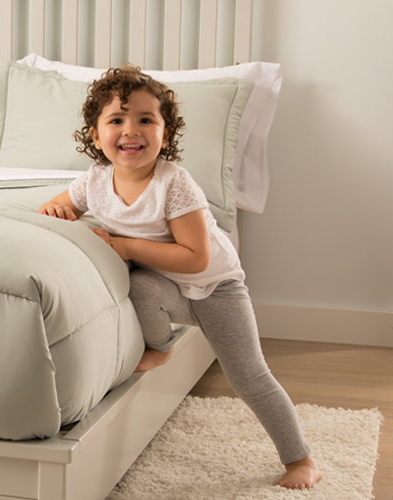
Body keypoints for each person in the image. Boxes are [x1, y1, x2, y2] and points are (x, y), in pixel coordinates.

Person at [38, 64, 322, 490]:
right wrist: (56, 213)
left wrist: (127, 247)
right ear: (96, 137)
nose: (130, 130)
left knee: (249, 375)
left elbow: (194, 256)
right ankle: (162, 346)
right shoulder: (94, 181)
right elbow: (58, 206)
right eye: (116, 120)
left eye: (145, 120)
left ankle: (299, 458)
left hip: (217, 289)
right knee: (139, 286)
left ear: (165, 134)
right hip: (168, 290)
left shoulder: (175, 183)